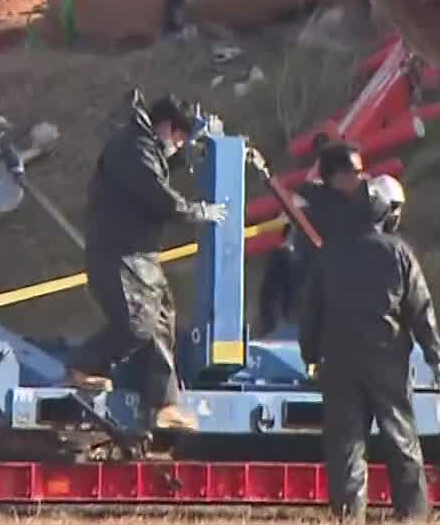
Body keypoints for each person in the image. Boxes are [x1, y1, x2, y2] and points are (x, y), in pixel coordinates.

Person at [65, 93, 226, 432]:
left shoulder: (145, 149)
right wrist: (199, 212)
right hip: (119, 253)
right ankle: (83, 366)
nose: (180, 146)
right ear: (167, 127)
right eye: (180, 137)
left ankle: (164, 405)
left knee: (162, 325)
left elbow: (160, 169)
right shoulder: (132, 148)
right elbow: (157, 194)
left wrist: (197, 147)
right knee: (138, 325)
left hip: (142, 255)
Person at [298, 171, 440, 523]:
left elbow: (310, 308)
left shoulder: (329, 251)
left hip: (339, 359)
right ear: (386, 212)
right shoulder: (399, 253)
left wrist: (310, 354)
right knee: (401, 437)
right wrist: (434, 355)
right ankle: (411, 514)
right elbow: (420, 308)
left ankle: (349, 517)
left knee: (347, 442)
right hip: (387, 359)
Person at [259, 141, 377, 332]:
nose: (361, 178)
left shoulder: (367, 207)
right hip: (309, 319)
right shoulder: (307, 209)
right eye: (355, 172)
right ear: (336, 176)